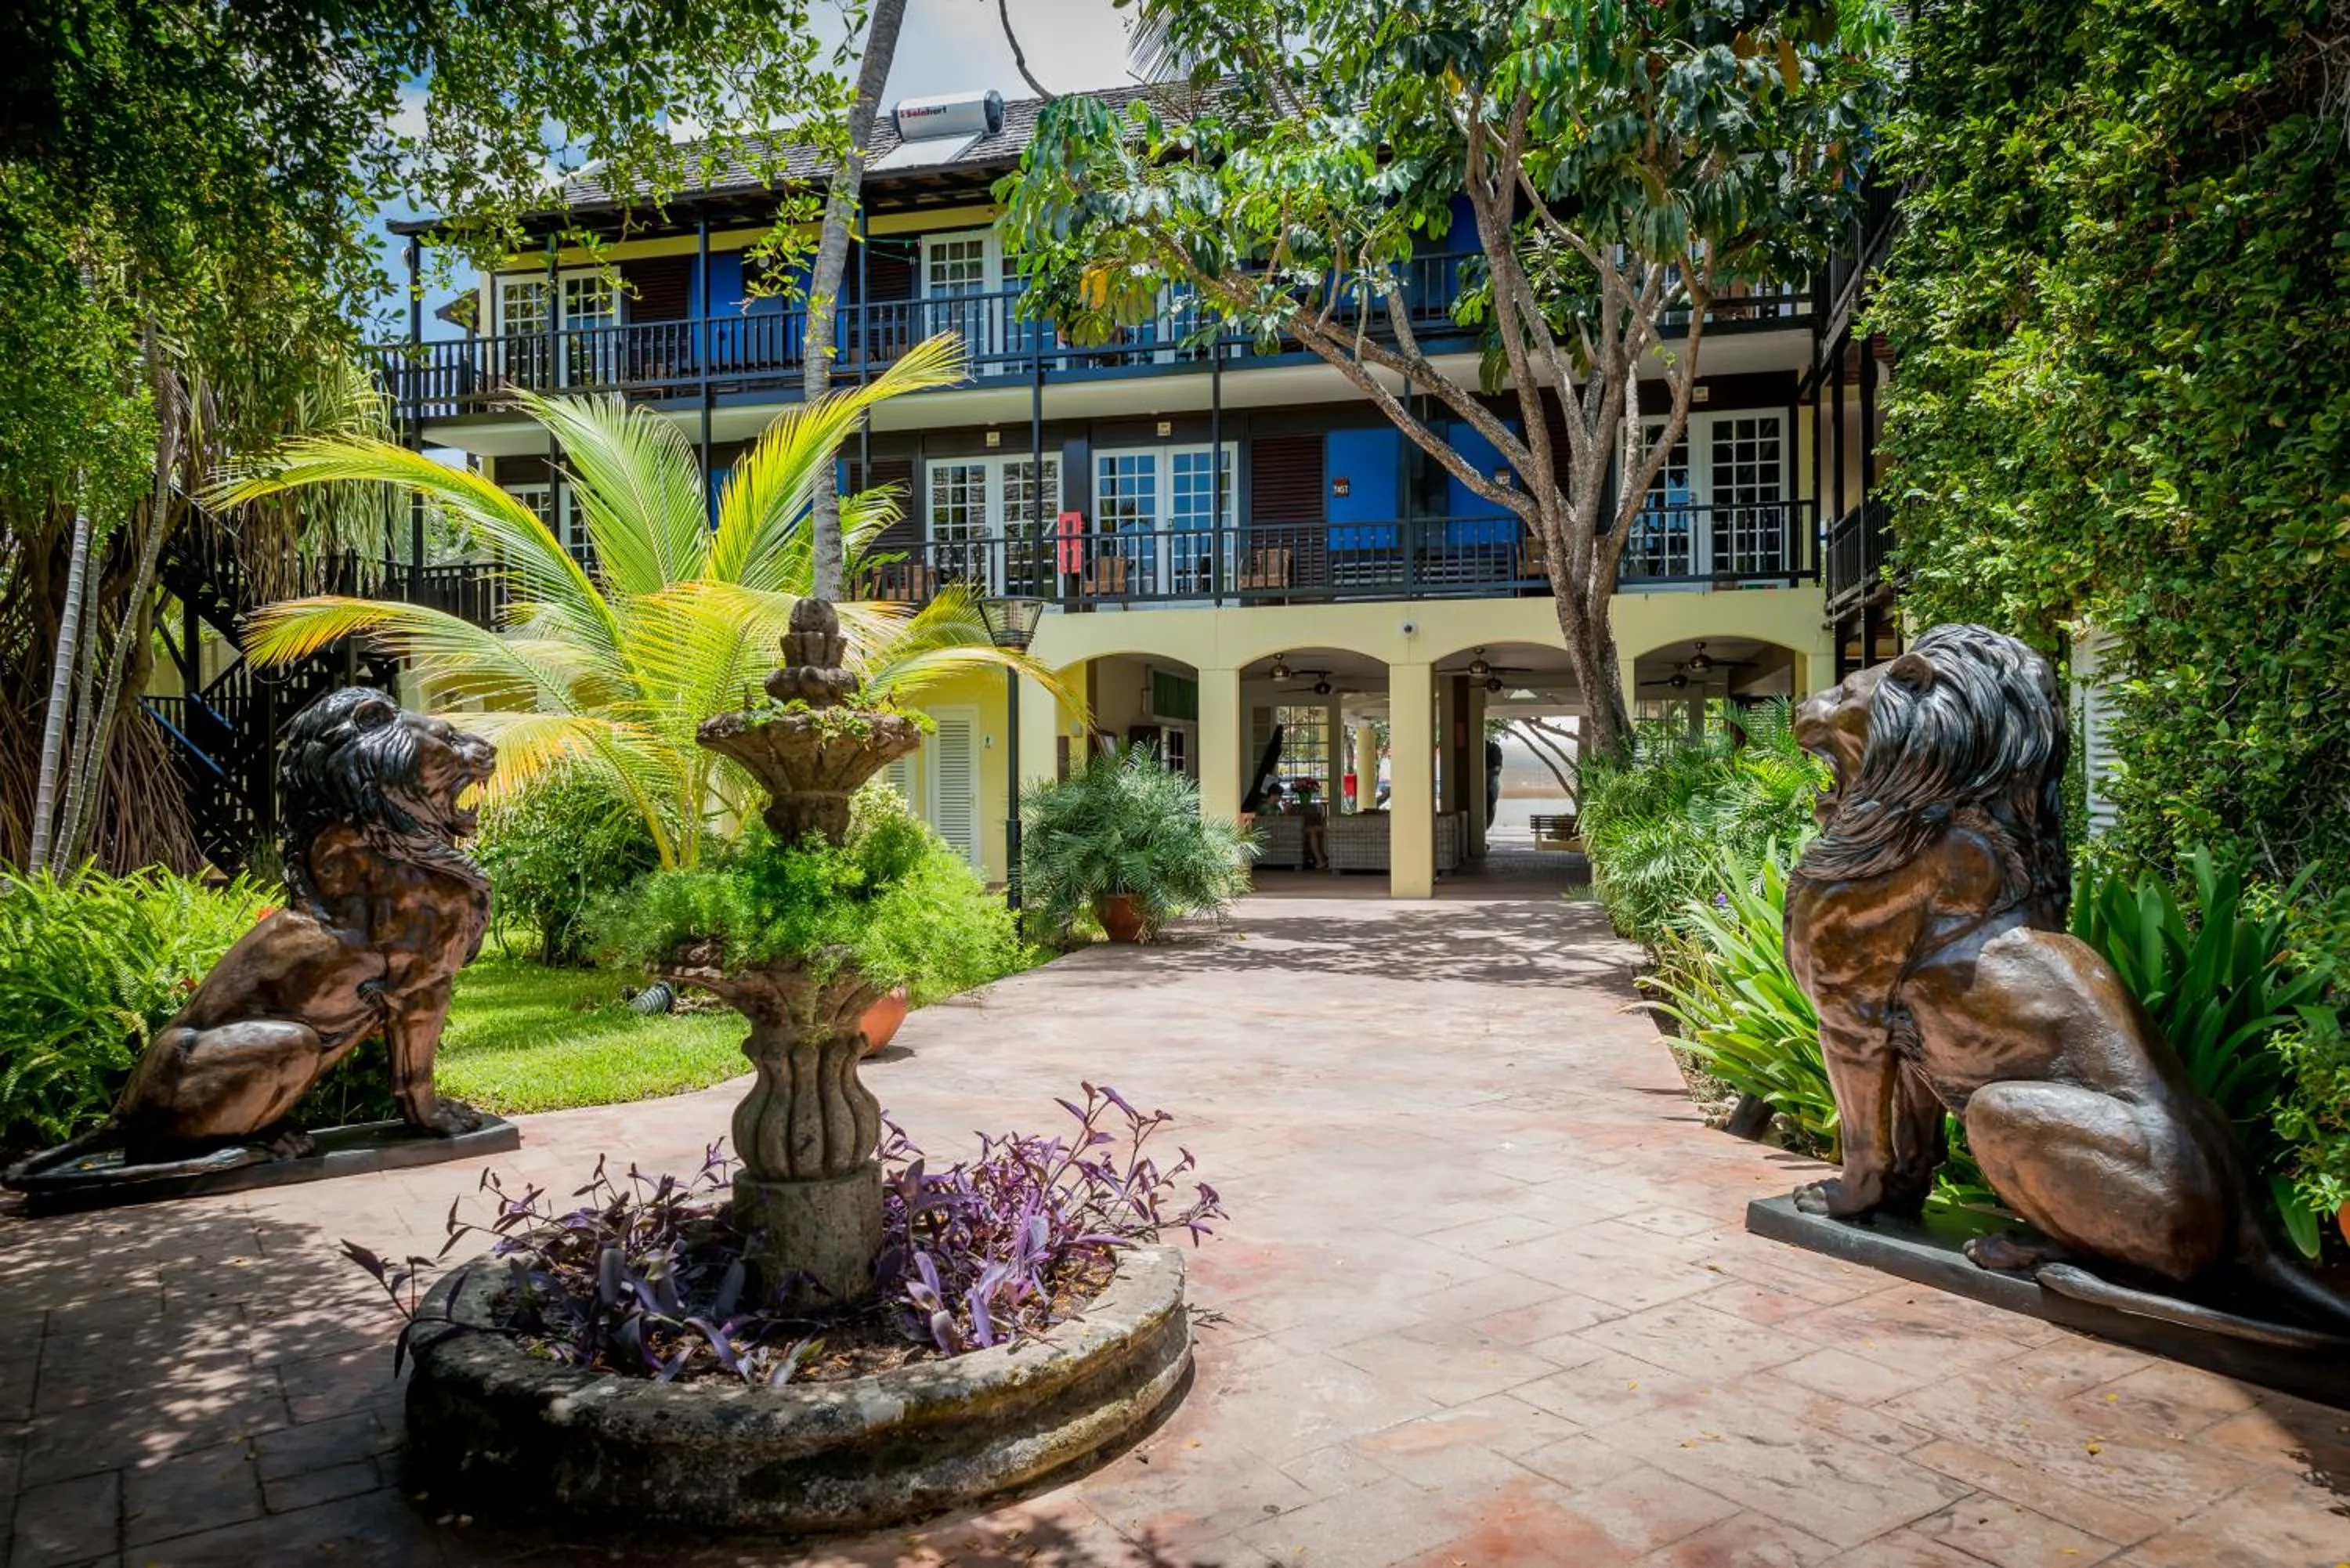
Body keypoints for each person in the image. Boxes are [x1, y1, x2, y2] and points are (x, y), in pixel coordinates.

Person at [1294, 779, 1329, 869]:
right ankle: (1320, 860)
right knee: (1314, 831)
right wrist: (1286, 810)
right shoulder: (1269, 808)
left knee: (1322, 829)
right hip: (1293, 829)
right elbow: (1285, 819)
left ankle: (1324, 858)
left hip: (1302, 827)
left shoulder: (1277, 806)